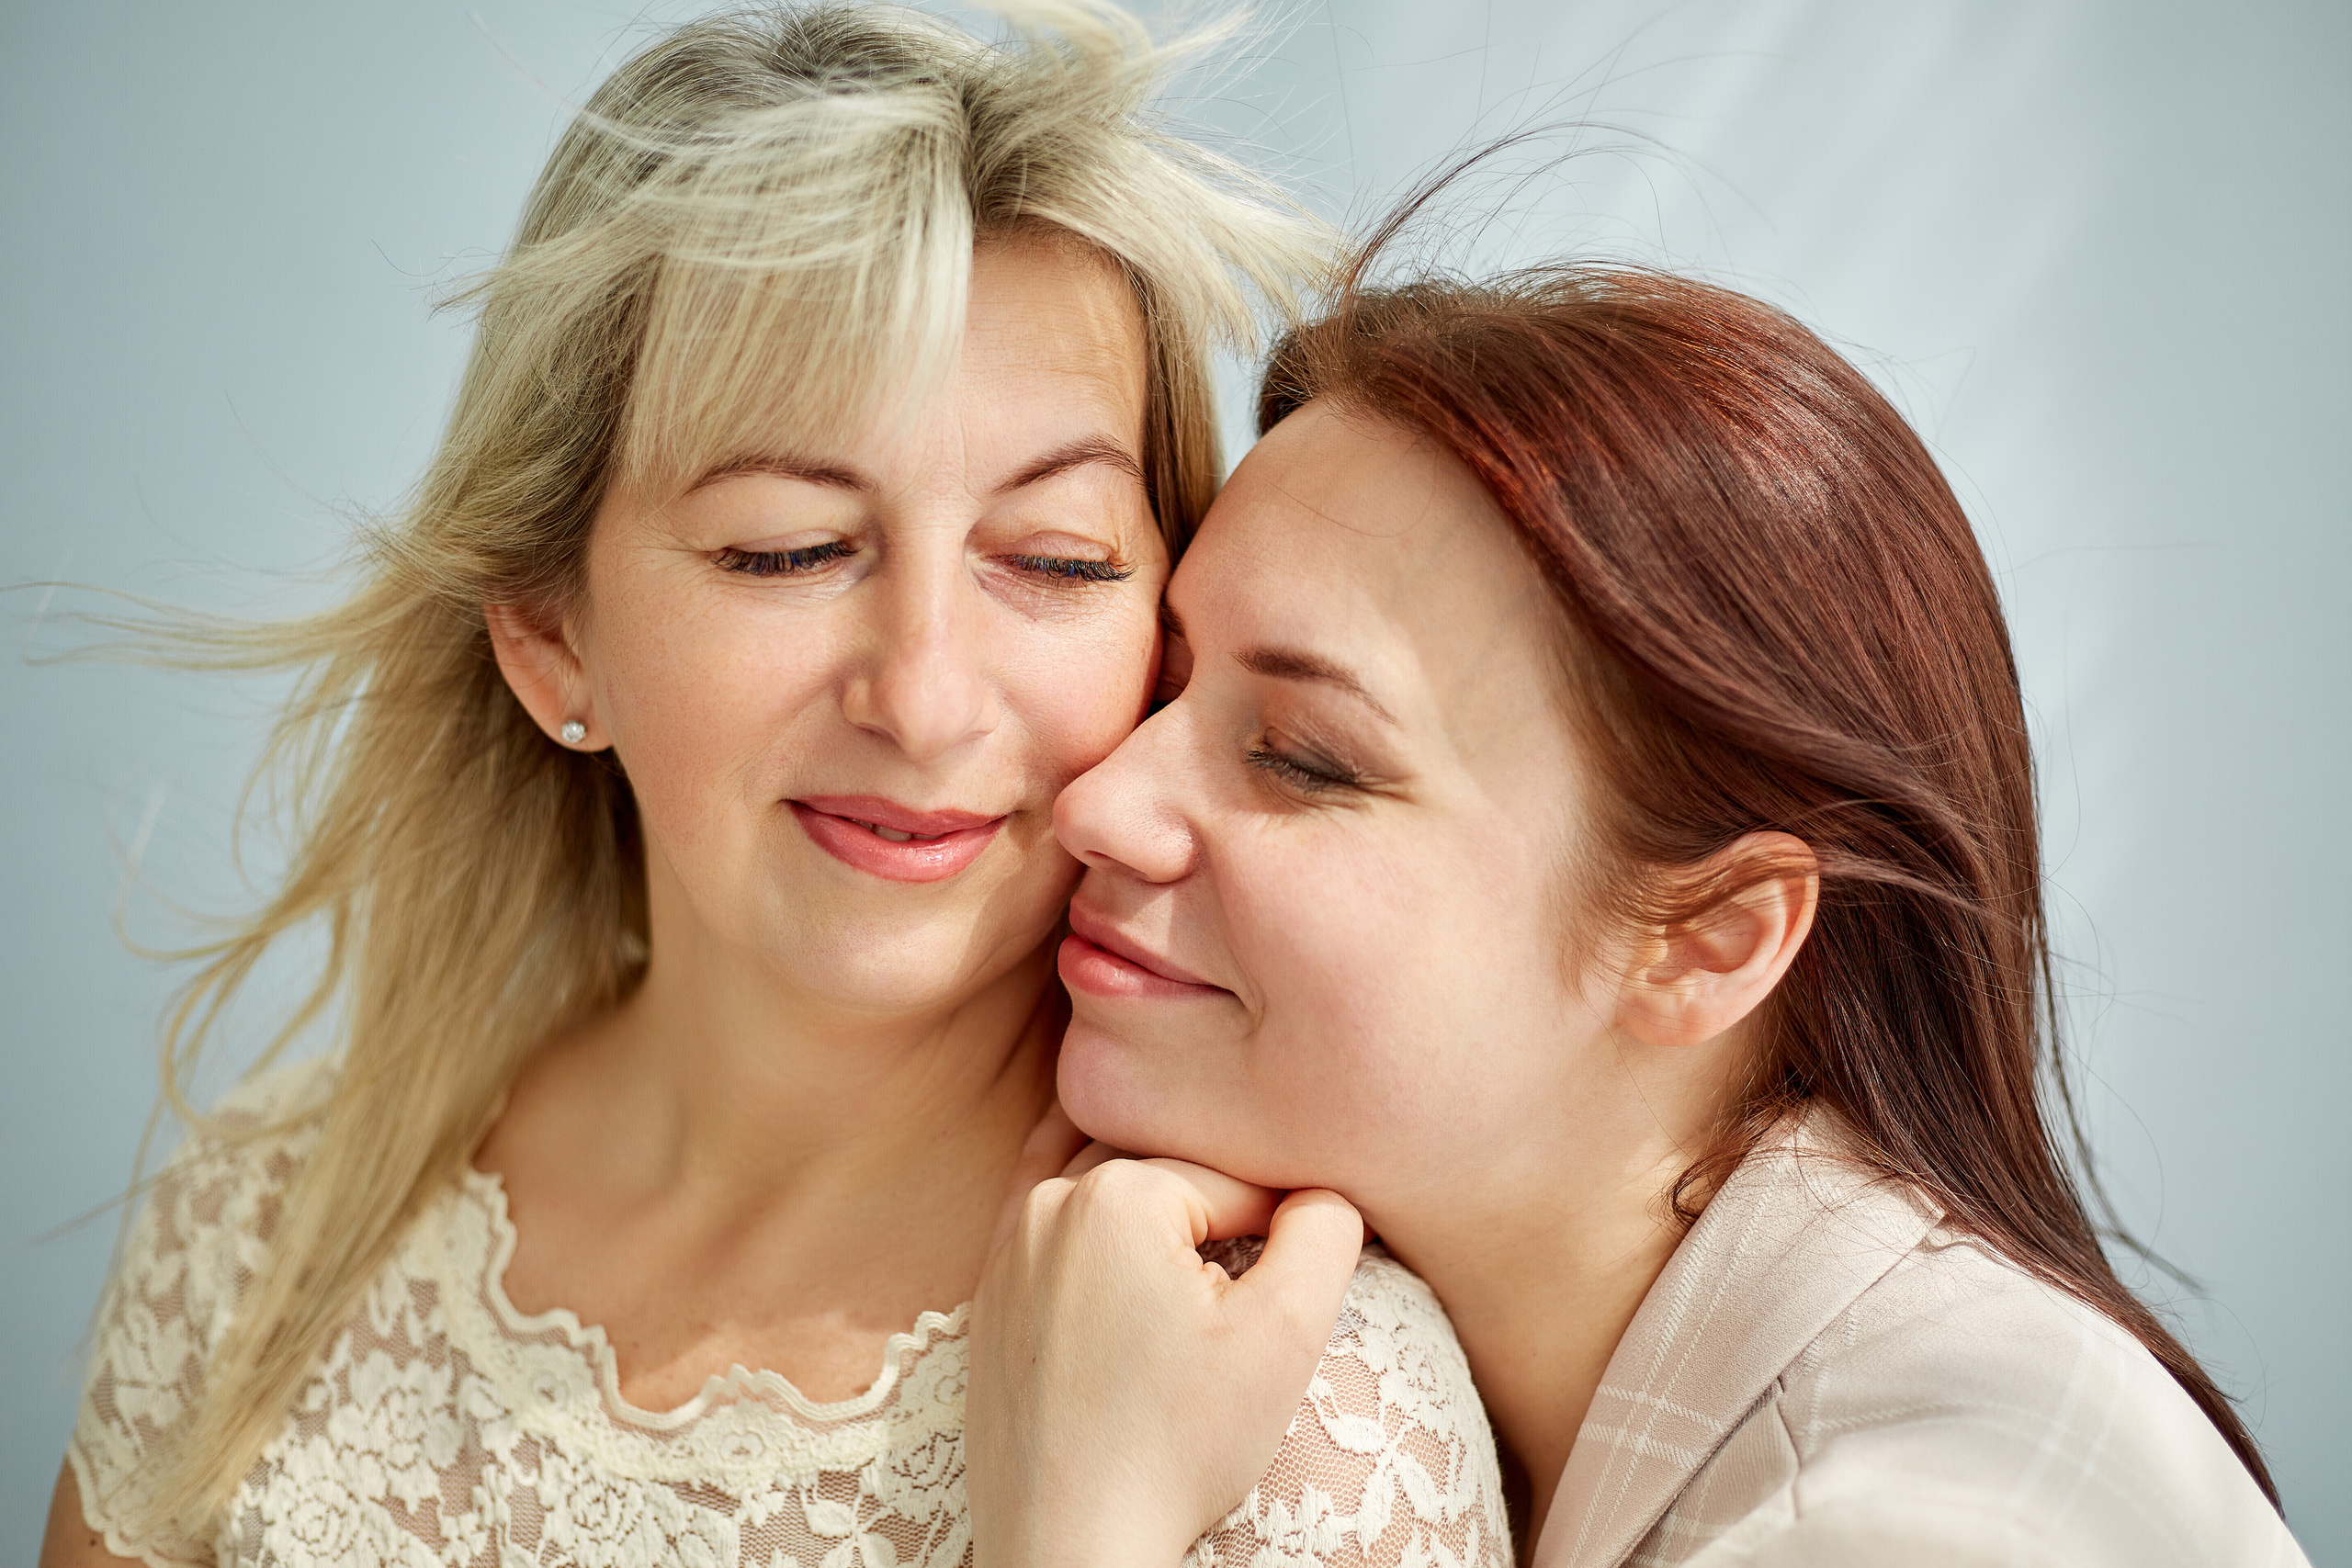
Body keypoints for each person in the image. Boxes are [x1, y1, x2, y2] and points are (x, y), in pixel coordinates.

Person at [40, 7, 1513, 1566]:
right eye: (788, 551)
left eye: (1055, 560)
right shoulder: (265, 1224)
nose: (929, 698)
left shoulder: (1306, 1413)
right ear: (551, 639)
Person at [965, 246, 2314, 1564]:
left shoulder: (1929, 1526)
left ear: (1709, 936)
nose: (1099, 803)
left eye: (1305, 756)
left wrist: (1084, 1527)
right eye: (1166, 683)